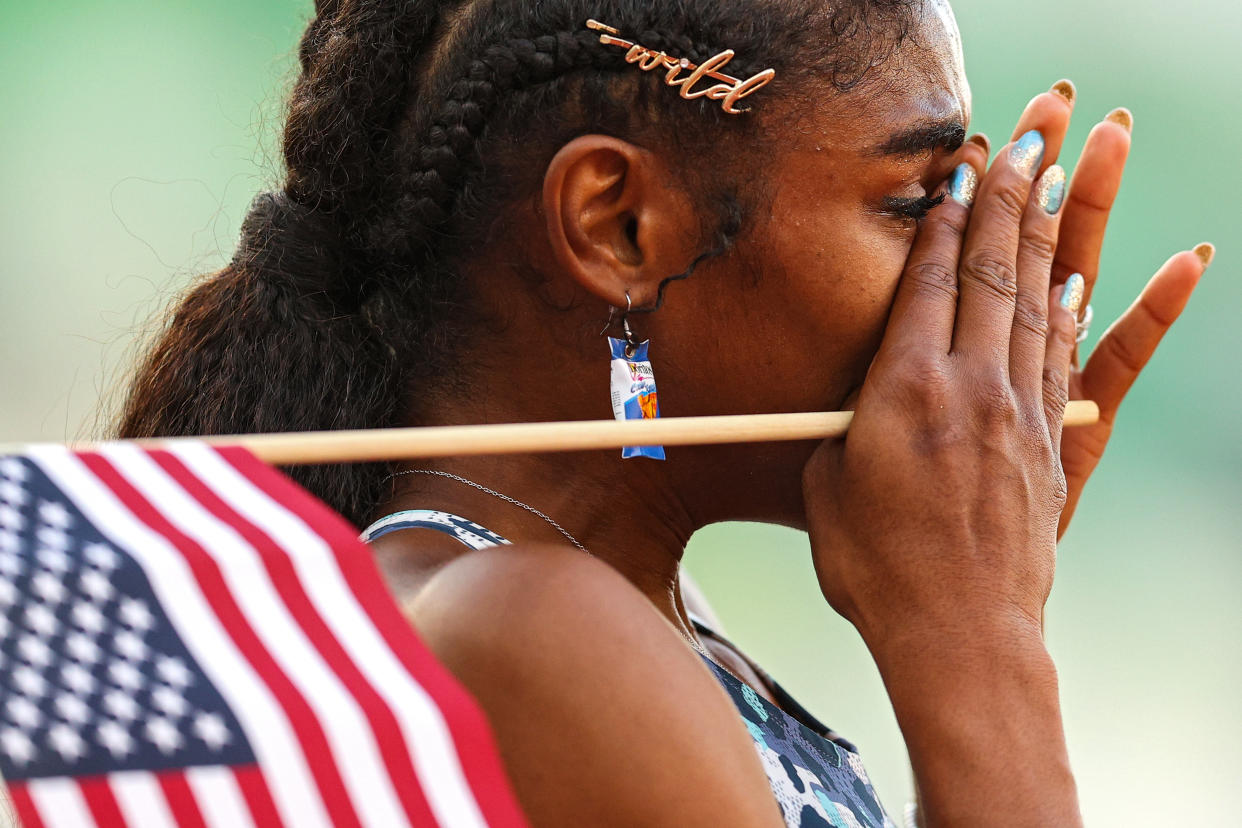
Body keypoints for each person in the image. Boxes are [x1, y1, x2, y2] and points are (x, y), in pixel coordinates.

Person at [116, 0, 1211, 825]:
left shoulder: (612, 608)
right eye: (920, 201)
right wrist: (980, 645)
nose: (969, 265)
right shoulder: (534, 637)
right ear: (619, 228)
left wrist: (974, 592)